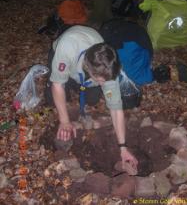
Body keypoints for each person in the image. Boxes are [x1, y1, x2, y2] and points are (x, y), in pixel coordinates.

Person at [46, 25, 138, 168]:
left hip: (87, 67)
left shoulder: (108, 68)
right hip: (64, 52)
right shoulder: (66, 48)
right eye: (101, 81)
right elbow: (57, 85)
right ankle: (71, 83)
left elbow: (116, 109)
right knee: (53, 99)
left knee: (92, 99)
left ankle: (78, 85)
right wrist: (64, 121)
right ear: (89, 69)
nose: (105, 84)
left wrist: (123, 147)